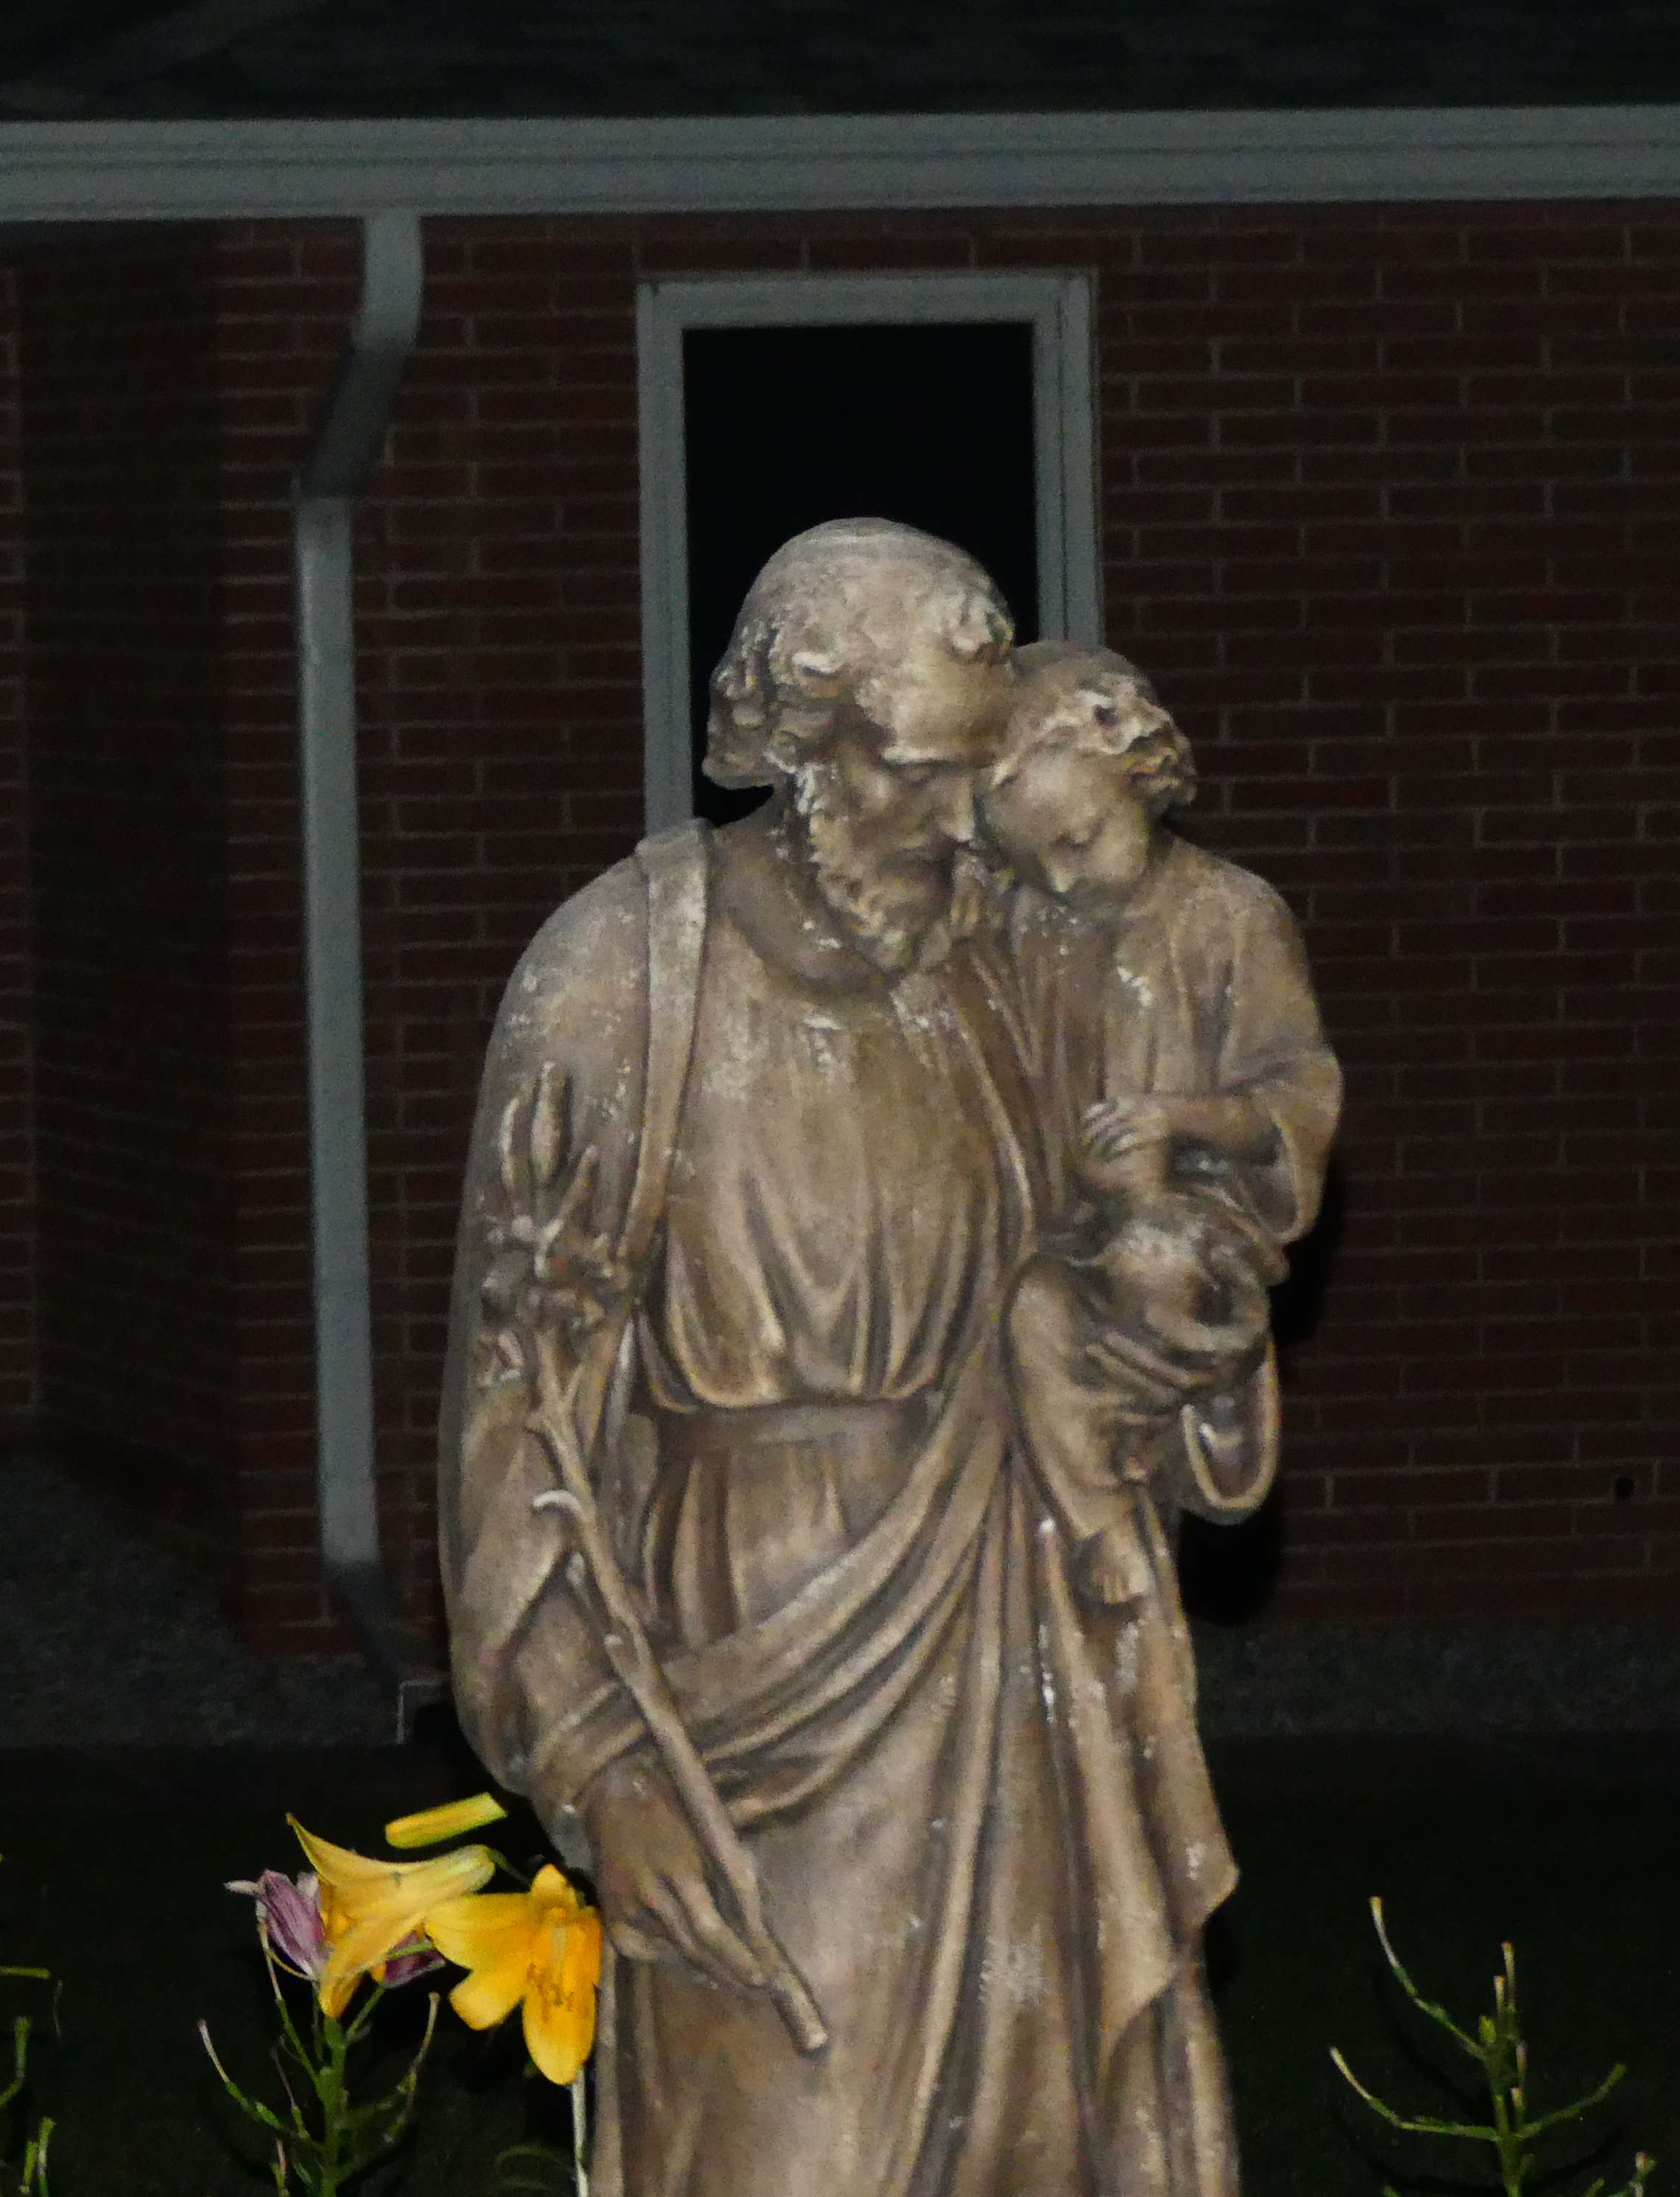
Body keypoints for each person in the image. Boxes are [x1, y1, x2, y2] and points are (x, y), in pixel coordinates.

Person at [439, 524, 1287, 2196]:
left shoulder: (1028, 959)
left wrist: (1182, 1312)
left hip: (1023, 1665)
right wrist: (599, 1764)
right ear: (819, 721)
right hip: (756, 1685)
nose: (976, 794)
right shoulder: (629, 975)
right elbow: (512, 1416)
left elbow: (1149, 1303)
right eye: (961, 658)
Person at [978, 639, 1344, 1614]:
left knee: (1146, 1268)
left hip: (1187, 1224)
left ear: (1129, 766)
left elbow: (1295, 1091)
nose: (1062, 884)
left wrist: (1183, 1124)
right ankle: (1096, 1536)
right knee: (1025, 1311)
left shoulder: (1229, 916)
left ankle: (1187, 1431)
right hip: (1053, 1235)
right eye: (1036, 865)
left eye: (1078, 843)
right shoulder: (1021, 932)